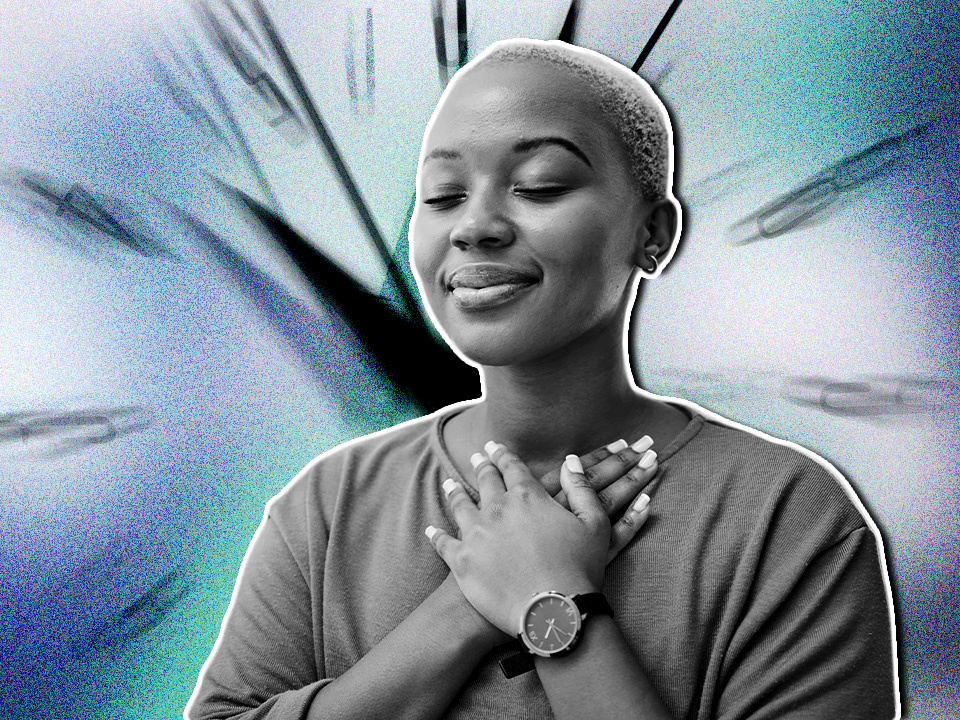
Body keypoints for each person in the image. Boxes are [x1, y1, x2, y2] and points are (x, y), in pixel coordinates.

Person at [184, 38, 899, 720]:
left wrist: (552, 602)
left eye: (540, 185)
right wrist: (464, 607)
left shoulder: (789, 518)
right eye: (442, 195)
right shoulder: (329, 505)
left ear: (654, 233)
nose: (476, 226)